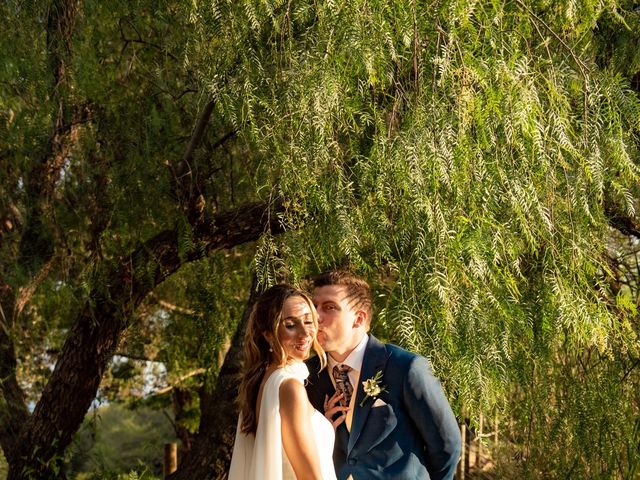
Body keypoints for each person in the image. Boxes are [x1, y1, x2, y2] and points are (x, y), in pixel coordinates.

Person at [305, 271, 461, 480]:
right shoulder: (308, 375)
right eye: (313, 307)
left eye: (329, 307)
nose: (316, 317)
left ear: (358, 319)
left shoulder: (406, 367)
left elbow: (447, 445)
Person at [228, 284, 340, 480]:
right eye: (290, 325)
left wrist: (319, 424)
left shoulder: (265, 379)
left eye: (308, 321)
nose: (305, 333)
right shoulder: (289, 386)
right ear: (268, 334)